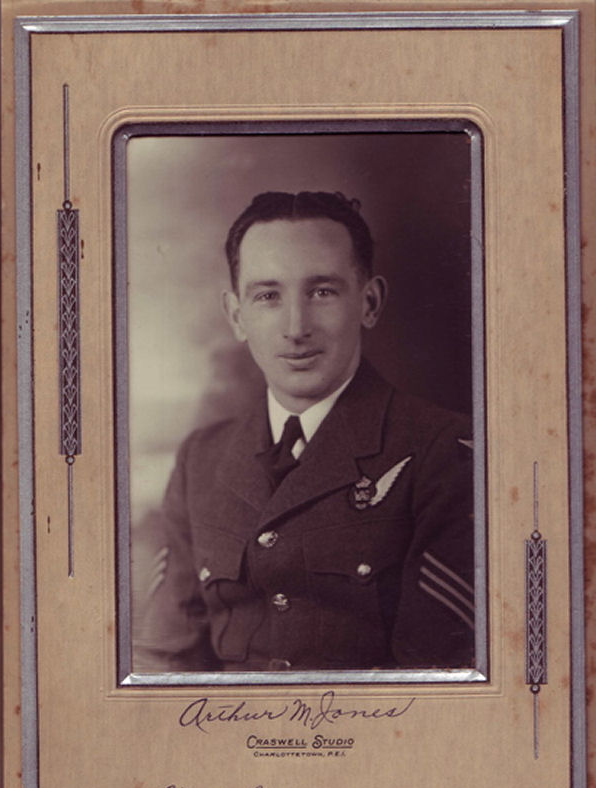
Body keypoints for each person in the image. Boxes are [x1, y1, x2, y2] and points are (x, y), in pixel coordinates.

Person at [134, 190, 475, 673]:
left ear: (370, 303)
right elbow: (166, 660)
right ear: (237, 316)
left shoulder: (444, 453)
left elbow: (435, 681)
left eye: (322, 292)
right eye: (268, 296)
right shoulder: (201, 459)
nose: (296, 327)